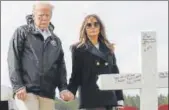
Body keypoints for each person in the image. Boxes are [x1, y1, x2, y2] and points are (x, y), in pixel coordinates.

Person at [7, 2, 74, 110]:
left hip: (47, 93)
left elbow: (60, 67)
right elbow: (13, 59)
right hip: (26, 92)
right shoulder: (22, 32)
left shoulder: (56, 41)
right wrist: (18, 86)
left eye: (47, 15)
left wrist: (63, 88)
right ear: (33, 15)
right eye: (40, 15)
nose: (44, 18)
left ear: (50, 16)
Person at [68, 14, 124, 110]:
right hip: (91, 99)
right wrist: (70, 92)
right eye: (89, 25)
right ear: (84, 29)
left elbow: (115, 75)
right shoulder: (78, 49)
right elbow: (76, 74)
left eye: (95, 24)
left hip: (110, 99)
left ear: (100, 27)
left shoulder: (109, 48)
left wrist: (120, 99)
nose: (92, 27)